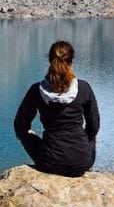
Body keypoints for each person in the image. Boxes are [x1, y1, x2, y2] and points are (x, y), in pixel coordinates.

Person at [13, 40, 99, 177]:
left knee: (25, 133)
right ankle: (79, 156)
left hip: (49, 162)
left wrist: (32, 136)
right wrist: (81, 142)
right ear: (72, 61)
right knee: (91, 135)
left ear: (49, 60)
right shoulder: (84, 88)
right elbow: (94, 127)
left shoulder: (36, 90)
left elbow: (20, 126)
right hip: (82, 162)